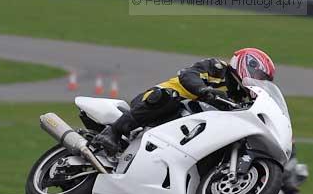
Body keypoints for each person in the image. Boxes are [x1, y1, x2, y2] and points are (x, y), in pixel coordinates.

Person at [93, 47, 276, 154]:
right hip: (161, 102)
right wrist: (204, 90)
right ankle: (113, 132)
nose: (259, 81)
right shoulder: (218, 68)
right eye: (259, 76)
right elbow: (188, 74)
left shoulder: (239, 98)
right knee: (168, 97)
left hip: (186, 125)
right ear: (247, 65)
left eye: (263, 79)